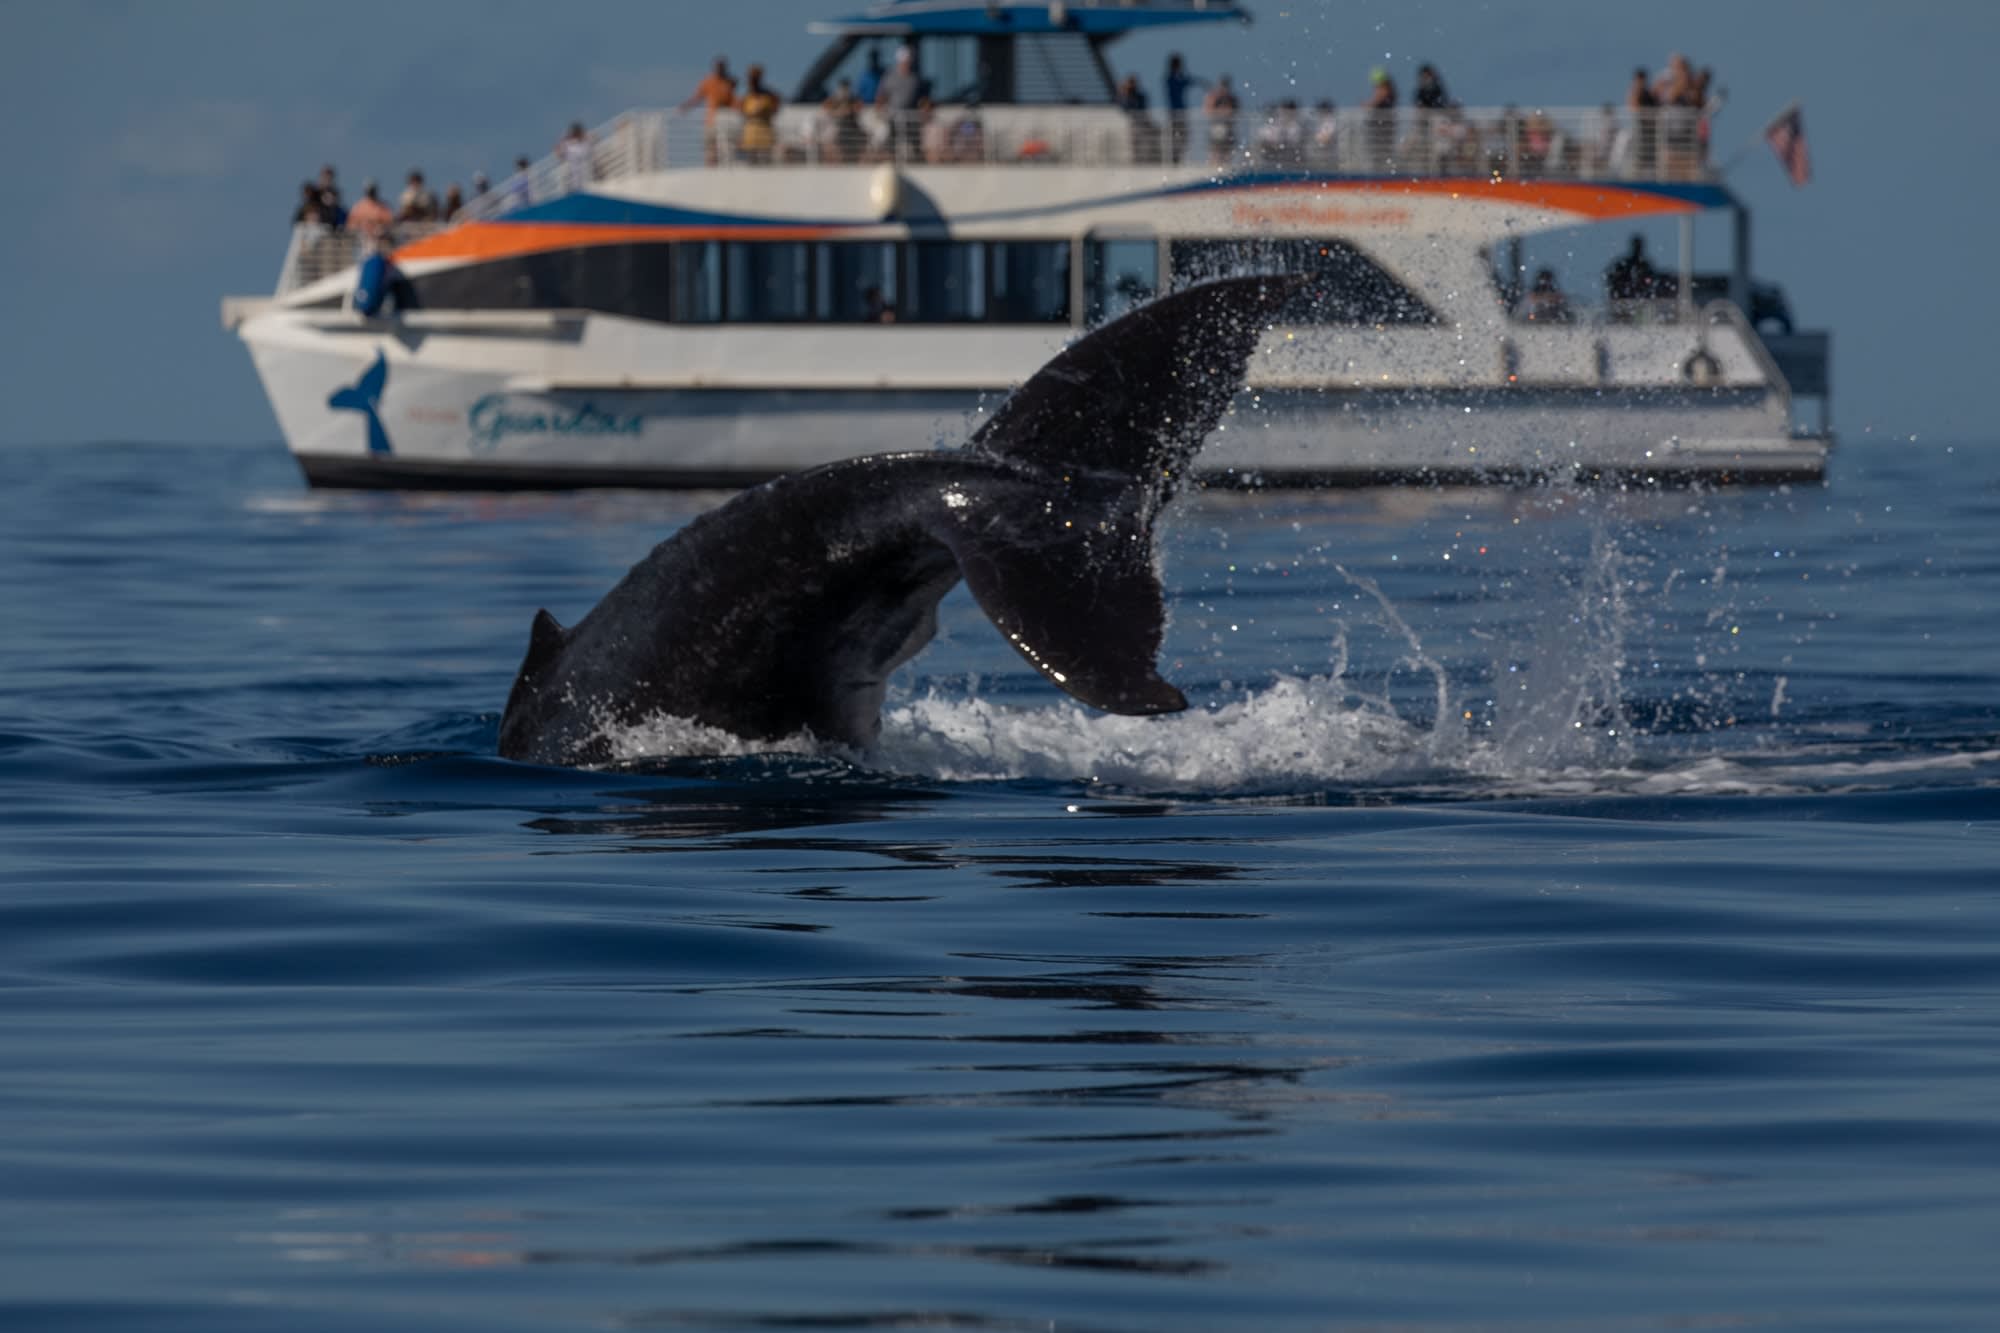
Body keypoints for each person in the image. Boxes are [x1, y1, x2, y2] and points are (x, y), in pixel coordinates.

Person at [680, 58, 738, 165]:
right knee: (711, 148)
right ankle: (711, 168)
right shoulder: (708, 82)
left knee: (727, 149)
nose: (720, 69)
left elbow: (734, 101)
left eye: (722, 66)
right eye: (718, 66)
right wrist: (686, 106)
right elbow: (698, 97)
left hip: (726, 122)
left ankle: (725, 167)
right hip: (711, 121)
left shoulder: (730, 83)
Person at [875, 45, 924, 159]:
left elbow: (922, 99)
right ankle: (889, 157)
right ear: (899, 61)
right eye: (904, 61)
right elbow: (881, 95)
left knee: (914, 141)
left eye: (908, 61)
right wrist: (880, 111)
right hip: (892, 116)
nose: (906, 64)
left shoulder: (915, 78)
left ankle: (915, 158)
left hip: (911, 117)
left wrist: (923, 112)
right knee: (887, 137)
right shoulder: (890, 77)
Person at [1163, 53, 1202, 164]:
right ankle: (1175, 158)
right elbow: (1185, 82)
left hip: (1180, 112)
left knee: (1183, 136)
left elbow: (1187, 81)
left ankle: (1177, 157)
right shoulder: (1170, 78)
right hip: (1174, 112)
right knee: (1176, 136)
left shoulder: (1175, 77)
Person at [737, 66, 780, 164]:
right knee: (751, 163)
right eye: (750, 78)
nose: (751, 81)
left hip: (765, 134)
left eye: (754, 78)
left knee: (766, 162)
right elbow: (741, 111)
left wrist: (764, 112)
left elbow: (776, 108)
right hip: (750, 135)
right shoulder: (746, 97)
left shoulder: (769, 96)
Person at [1605, 234, 1658, 308]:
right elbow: (1610, 277)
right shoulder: (1625, 264)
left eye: (1638, 246)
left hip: (1639, 301)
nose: (1638, 248)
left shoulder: (1644, 265)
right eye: (1637, 246)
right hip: (1624, 301)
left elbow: (1651, 281)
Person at [1118, 75, 1160, 163]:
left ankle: (1151, 158)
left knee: (1149, 138)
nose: (1132, 85)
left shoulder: (1139, 96)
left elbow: (1141, 106)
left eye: (1132, 83)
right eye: (1130, 83)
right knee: (1136, 143)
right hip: (1133, 124)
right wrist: (1124, 93)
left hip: (1141, 122)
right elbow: (1124, 108)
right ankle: (1137, 160)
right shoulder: (1125, 97)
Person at [821, 78, 865, 162]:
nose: (844, 91)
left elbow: (858, 107)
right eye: (843, 88)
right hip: (838, 128)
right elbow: (826, 108)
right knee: (829, 140)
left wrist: (848, 110)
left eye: (846, 88)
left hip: (852, 128)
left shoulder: (853, 98)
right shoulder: (835, 98)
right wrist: (839, 112)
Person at [1626, 67, 1659, 176]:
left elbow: (1656, 107)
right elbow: (1633, 106)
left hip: (1650, 131)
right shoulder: (1634, 92)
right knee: (1639, 155)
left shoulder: (1649, 93)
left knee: (1650, 155)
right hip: (1640, 130)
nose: (1641, 82)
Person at [1365, 66, 1398, 168]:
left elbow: (1375, 101)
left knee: (1381, 149)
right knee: (1383, 149)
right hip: (1383, 125)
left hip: (1383, 125)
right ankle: (1384, 165)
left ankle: (1383, 166)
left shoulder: (1385, 90)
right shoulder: (1390, 90)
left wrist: (1367, 105)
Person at [1203, 74, 1239, 165]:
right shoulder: (1215, 96)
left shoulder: (1231, 98)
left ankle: (1226, 164)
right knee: (1215, 147)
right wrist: (1221, 112)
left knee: (1227, 147)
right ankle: (1214, 164)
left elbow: (1236, 111)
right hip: (1216, 126)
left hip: (1228, 126)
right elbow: (1208, 109)